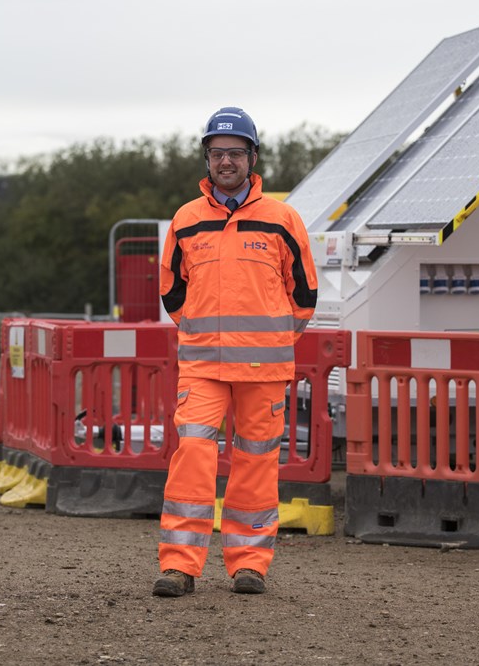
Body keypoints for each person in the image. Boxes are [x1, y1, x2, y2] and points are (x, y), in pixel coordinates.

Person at [153, 106, 318, 597]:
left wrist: (270, 342)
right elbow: (171, 290)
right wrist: (205, 333)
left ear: (252, 157)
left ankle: (249, 564)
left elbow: (305, 295)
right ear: (207, 158)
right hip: (202, 366)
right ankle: (180, 566)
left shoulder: (282, 218)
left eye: (235, 153)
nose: (226, 161)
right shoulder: (186, 219)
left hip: (264, 370)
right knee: (194, 456)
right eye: (217, 153)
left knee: (256, 462)